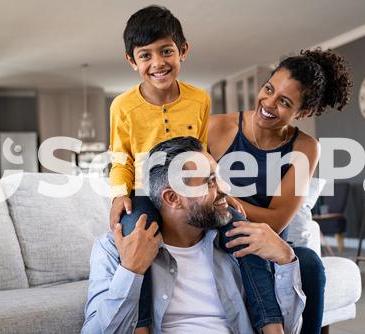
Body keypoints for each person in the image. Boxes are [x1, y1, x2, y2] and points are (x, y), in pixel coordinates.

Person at [108, 6, 287, 333]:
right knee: (138, 236)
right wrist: (120, 194)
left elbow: (201, 152)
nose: (158, 63)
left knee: (240, 227)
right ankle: (142, 326)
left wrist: (219, 189)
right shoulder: (122, 106)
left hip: (191, 189)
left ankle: (270, 323)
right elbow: (121, 157)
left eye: (166, 51)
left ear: (183, 51)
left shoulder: (199, 99)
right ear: (132, 62)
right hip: (146, 191)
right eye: (145, 55)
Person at [82, 136, 306, 334]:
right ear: (172, 198)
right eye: (209, 182)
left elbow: (289, 329)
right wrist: (131, 272)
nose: (225, 189)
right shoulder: (114, 249)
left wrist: (286, 258)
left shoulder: (240, 243)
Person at [208, 49, 353, 334]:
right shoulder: (217, 127)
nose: (268, 103)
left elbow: (276, 221)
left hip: (273, 240)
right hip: (222, 235)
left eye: (284, 102)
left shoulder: (305, 147)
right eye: (269, 89)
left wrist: (226, 198)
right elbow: (197, 189)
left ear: (304, 112)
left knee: (310, 262)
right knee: (239, 231)